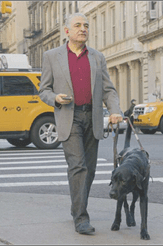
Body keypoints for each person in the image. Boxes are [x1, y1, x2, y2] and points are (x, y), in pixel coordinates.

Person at [39, 13, 123, 235]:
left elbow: (108, 89)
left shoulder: (97, 57)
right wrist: (55, 98)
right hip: (70, 117)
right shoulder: (51, 56)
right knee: (78, 167)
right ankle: (81, 218)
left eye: (86, 25)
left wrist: (115, 111)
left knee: (91, 170)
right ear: (67, 31)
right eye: (77, 25)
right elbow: (43, 90)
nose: (83, 29)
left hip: (92, 118)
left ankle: (76, 206)